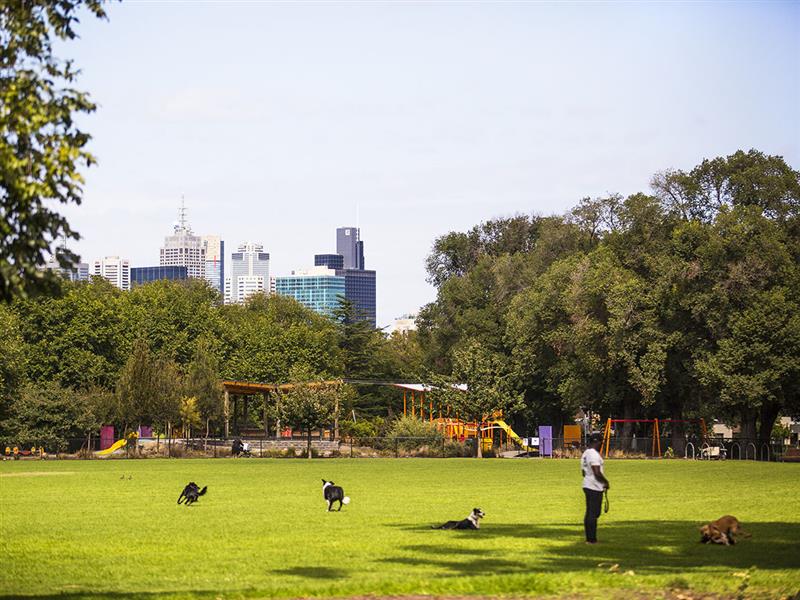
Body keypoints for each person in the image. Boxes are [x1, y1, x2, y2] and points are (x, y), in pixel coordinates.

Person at [580, 433, 610, 544]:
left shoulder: (586, 454)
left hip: (587, 484)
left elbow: (583, 472)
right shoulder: (593, 454)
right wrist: (605, 482)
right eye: (601, 443)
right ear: (597, 442)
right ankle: (591, 539)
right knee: (593, 513)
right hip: (594, 486)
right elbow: (596, 471)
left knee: (591, 512)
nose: (601, 445)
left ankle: (590, 538)